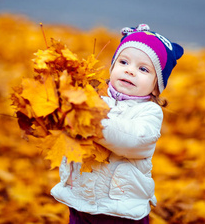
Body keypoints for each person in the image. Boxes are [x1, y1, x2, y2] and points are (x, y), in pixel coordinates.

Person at [51, 24, 184, 223]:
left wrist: (94, 122)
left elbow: (134, 140)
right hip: (80, 201)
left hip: (120, 211)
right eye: (123, 62)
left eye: (143, 69)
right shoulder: (94, 97)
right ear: (113, 67)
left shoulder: (148, 112)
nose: (130, 71)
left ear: (157, 87)